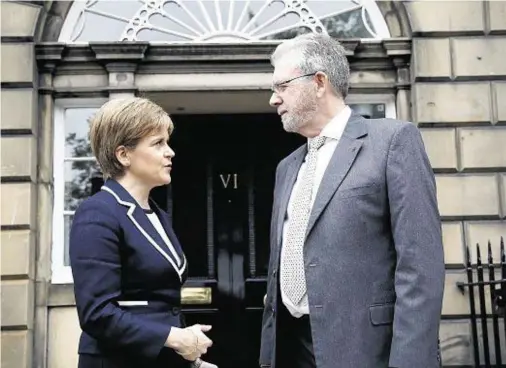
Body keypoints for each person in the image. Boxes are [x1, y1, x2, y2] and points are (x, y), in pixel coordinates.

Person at [259, 33, 445, 368]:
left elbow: (420, 269)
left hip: (364, 350)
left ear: (319, 82)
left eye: (282, 86)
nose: (274, 99)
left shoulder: (393, 142)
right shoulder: (286, 168)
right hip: (290, 348)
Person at [69, 97, 218, 368]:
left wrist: (189, 361)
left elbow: (159, 303)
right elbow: (97, 313)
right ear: (123, 154)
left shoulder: (158, 215)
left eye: (167, 142)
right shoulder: (97, 213)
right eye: (158, 143)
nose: (170, 152)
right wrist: (176, 338)